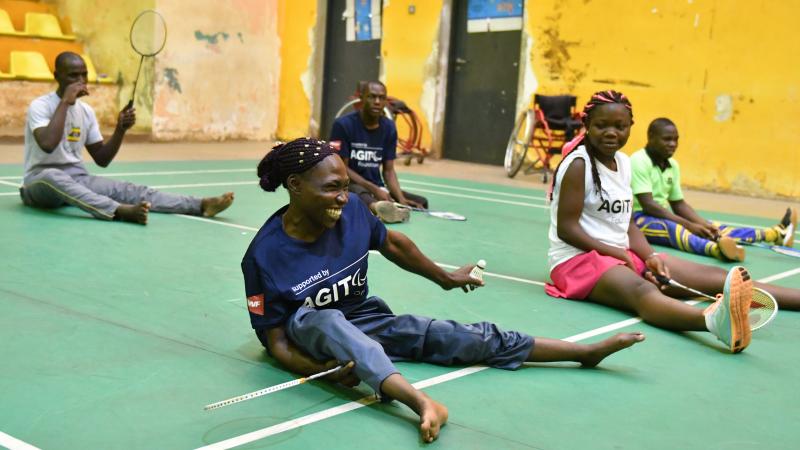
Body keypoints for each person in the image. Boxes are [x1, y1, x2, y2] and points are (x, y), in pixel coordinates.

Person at [242, 138, 645, 443]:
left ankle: (581, 353)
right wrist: (320, 373)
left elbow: (395, 245)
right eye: (331, 187)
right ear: (294, 185)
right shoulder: (263, 256)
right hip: (311, 334)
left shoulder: (351, 212)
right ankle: (420, 402)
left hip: (364, 319)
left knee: (449, 335)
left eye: (346, 185)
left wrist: (446, 278)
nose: (343, 197)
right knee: (328, 319)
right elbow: (275, 342)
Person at [546, 90, 800, 356]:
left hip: (621, 254)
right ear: (586, 125)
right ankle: (715, 322)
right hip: (578, 260)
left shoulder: (623, 162)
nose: (611, 133)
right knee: (642, 290)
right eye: (601, 126)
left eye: (619, 127)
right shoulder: (578, 165)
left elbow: (627, 223)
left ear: (631, 127)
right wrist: (618, 254)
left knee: (714, 277)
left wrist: (651, 256)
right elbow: (567, 229)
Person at [20, 52, 234, 225]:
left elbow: (102, 159)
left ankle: (200, 205)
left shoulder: (86, 112)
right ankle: (118, 211)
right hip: (39, 182)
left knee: (129, 190)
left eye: (84, 75)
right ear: (57, 76)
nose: (80, 81)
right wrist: (65, 102)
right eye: (73, 76)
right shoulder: (40, 106)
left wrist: (120, 129)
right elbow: (47, 145)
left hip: (78, 178)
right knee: (53, 177)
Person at [630, 117, 797, 262]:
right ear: (651, 137)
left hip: (662, 214)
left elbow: (679, 204)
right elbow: (648, 205)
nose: (673, 144)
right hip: (639, 219)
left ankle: (775, 234)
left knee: (714, 227)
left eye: (676, 139)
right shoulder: (639, 161)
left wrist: (703, 224)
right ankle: (717, 250)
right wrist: (689, 225)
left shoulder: (672, 165)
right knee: (676, 229)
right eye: (667, 139)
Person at [329, 80, 428, 223]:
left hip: (375, 186)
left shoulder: (389, 127)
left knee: (421, 202)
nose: (377, 101)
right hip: (348, 183)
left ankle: (389, 206)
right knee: (358, 193)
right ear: (361, 98)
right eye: (372, 97)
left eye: (381, 98)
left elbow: (388, 171)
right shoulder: (343, 124)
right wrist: (375, 190)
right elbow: (342, 168)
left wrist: (401, 199)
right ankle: (377, 207)